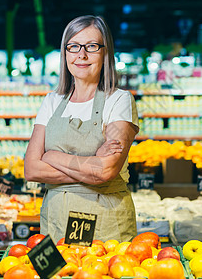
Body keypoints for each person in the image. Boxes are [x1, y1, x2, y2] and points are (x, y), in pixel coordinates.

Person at [24, 15, 139, 243]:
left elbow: (105, 172)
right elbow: (31, 169)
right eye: (73, 47)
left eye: (92, 46)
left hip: (106, 225)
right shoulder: (52, 101)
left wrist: (51, 156)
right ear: (65, 53)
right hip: (55, 222)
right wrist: (91, 166)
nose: (81, 55)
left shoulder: (119, 100)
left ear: (105, 52)